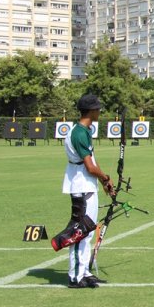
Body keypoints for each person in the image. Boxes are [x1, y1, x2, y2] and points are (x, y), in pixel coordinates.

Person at [61, 94, 114, 288]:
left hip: (87, 186)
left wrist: (103, 182)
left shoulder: (84, 130)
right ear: (91, 111)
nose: (99, 112)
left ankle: (83, 271)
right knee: (80, 232)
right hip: (81, 186)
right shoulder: (79, 133)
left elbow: (92, 161)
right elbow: (90, 167)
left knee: (88, 231)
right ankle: (75, 276)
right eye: (98, 109)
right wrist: (105, 178)